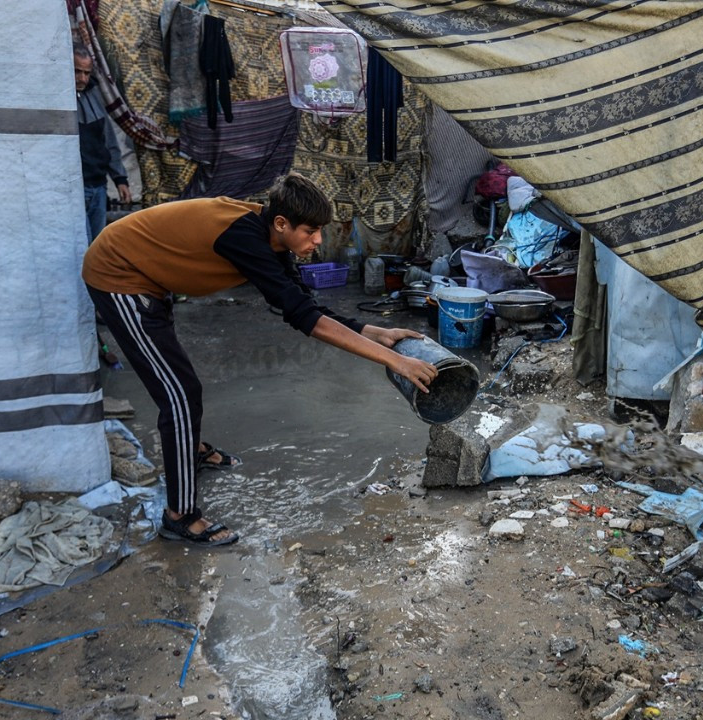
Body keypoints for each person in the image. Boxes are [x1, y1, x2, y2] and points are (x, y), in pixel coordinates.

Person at [82, 173, 438, 546]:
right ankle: (180, 516)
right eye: (311, 231)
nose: (318, 241)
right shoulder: (245, 238)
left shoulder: (272, 240)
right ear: (282, 223)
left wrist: (375, 332)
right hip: (119, 276)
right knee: (180, 395)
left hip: (149, 275)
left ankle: (191, 449)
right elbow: (308, 321)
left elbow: (302, 303)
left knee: (181, 386)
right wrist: (393, 361)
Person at [74, 44, 131, 241]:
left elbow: (108, 141)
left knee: (97, 248)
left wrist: (120, 179)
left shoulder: (94, 94)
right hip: (75, 190)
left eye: (86, 73)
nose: (82, 78)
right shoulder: (61, 100)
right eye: (77, 72)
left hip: (98, 187)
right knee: (83, 248)